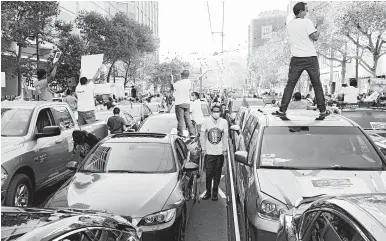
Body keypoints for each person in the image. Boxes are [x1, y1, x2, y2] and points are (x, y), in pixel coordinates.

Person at [275, 2, 328, 117]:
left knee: (290, 85)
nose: (307, 12)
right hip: (310, 57)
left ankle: (282, 109)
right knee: (316, 84)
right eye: (306, 10)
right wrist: (318, 26)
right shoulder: (307, 22)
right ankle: (322, 110)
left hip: (296, 58)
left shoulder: (289, 25)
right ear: (300, 11)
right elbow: (315, 37)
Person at [200, 103, 229, 201]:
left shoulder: (224, 122)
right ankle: (208, 192)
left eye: (218, 111)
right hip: (209, 153)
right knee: (208, 174)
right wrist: (203, 148)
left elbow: (225, 137)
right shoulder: (206, 121)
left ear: (220, 112)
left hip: (219, 153)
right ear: (211, 112)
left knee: (217, 174)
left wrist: (225, 150)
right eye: (214, 111)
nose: (216, 113)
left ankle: (215, 193)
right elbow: (202, 135)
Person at [171, 69, 195, 138]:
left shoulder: (179, 83)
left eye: (181, 75)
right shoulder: (189, 82)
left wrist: (172, 78)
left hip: (179, 103)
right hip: (187, 103)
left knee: (180, 119)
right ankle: (192, 133)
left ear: (183, 75)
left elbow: (173, 86)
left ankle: (180, 133)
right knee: (188, 118)